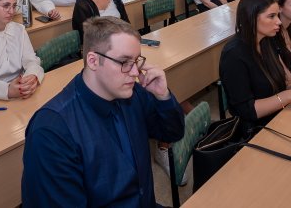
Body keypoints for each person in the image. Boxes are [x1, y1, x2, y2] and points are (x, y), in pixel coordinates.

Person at [22, 16, 184, 207]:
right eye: (124, 62)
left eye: (136, 61)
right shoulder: (51, 132)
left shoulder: (132, 93)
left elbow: (172, 133)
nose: (135, 72)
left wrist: (163, 97)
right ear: (93, 61)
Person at [219, 0, 291, 133]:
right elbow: (246, 111)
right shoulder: (233, 55)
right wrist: (289, 96)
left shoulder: (267, 41)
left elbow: (281, 83)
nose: (279, 21)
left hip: (280, 114)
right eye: (271, 16)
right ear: (251, 18)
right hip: (256, 129)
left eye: (277, 15)